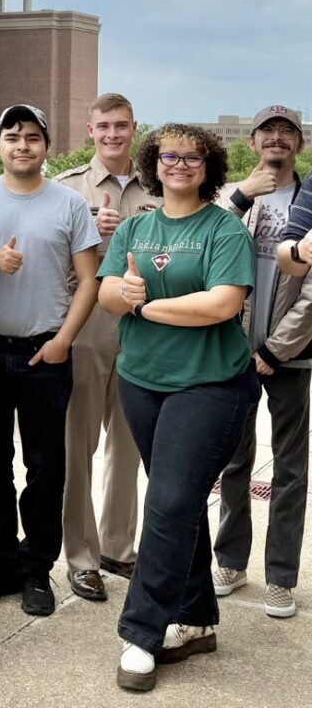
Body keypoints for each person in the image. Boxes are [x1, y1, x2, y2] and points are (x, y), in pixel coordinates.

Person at [98, 124, 258, 693]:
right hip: (142, 381)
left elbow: (221, 305)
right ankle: (194, 620)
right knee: (178, 500)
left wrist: (142, 308)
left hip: (210, 384)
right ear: (154, 162)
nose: (180, 165)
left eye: (193, 157)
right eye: (170, 156)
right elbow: (106, 291)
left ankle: (142, 633)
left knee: (166, 501)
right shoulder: (138, 225)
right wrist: (125, 298)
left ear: (209, 166)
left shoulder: (223, 228)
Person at [0, 104, 100, 617]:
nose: (22, 145)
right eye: (12, 136)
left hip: (46, 353)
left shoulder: (69, 204)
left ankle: (37, 567)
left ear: (46, 146)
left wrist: (64, 339)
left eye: (32, 137)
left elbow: (89, 280)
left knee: (44, 467)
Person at [55, 93, 159, 600]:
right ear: (90, 129)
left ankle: (119, 547)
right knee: (78, 447)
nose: (113, 134)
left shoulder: (162, 186)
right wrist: (90, 237)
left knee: (130, 447)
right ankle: (80, 556)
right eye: (104, 126)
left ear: (134, 128)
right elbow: (47, 260)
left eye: (122, 125)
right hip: (88, 329)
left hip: (144, 333)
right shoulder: (68, 189)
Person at [213, 106, 311, 619]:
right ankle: (230, 560)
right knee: (234, 457)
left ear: (299, 143)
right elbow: (203, 241)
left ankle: (280, 577)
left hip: (291, 355)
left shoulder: (310, 198)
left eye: (287, 132)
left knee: (292, 469)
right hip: (231, 348)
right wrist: (241, 194)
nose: (277, 139)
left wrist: (277, 348)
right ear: (252, 142)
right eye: (268, 131)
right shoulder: (233, 194)